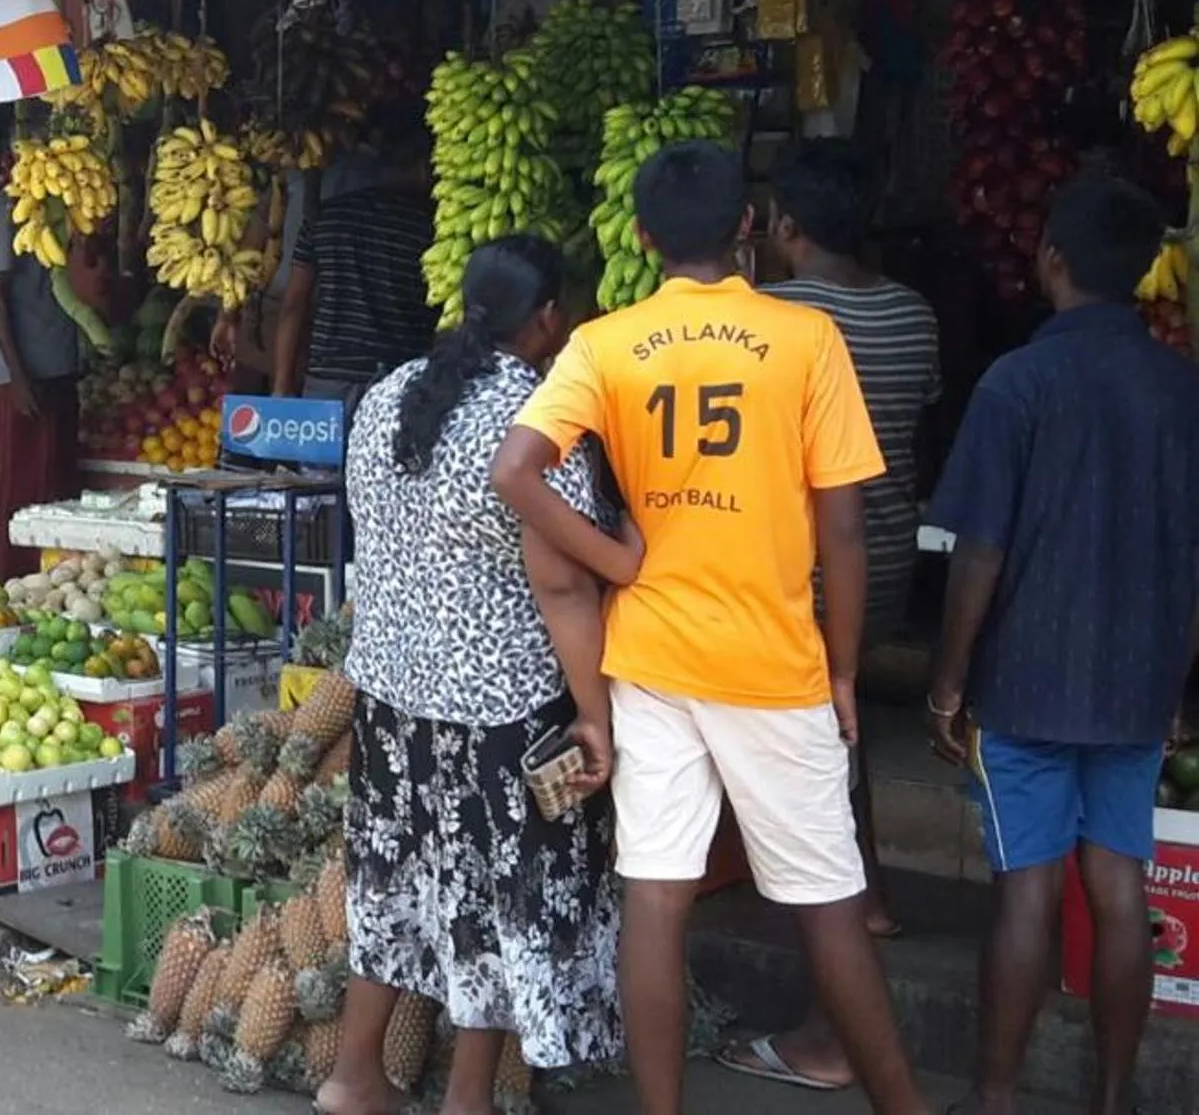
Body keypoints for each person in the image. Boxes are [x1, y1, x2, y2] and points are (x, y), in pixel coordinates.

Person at [491, 141, 930, 1115]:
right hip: (772, 661)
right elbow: (843, 527)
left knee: (655, 895)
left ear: (642, 237)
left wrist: (616, 563)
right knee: (827, 898)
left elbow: (514, 470)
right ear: (747, 226)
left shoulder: (603, 342)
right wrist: (844, 671)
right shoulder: (805, 337)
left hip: (649, 656)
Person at [319, 235, 625, 1115]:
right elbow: (562, 582)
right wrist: (595, 715)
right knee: (490, 896)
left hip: (391, 694)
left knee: (391, 885)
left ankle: (353, 1076)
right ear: (549, 319)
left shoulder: (387, 394)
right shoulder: (538, 417)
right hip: (501, 708)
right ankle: (466, 1098)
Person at [923, 178, 1199, 1115]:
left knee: (1026, 891)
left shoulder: (1017, 382)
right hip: (1136, 684)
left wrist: (947, 683)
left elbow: (979, 552)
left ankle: (994, 1100)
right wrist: (1174, 684)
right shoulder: (1181, 388)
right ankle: (1112, 1099)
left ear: (1051, 260)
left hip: (1028, 681)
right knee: (1118, 887)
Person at [722, 139, 942, 1090]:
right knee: (836, 745)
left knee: (808, 788)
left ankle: (829, 1032)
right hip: (883, 561)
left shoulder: (774, 320)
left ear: (783, 227)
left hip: (801, 570)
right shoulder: (912, 315)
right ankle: (876, 893)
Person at [268, 108, 438, 407]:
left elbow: (294, 305)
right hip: (400, 380)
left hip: (329, 378)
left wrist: (282, 385)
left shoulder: (325, 218)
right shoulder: (431, 229)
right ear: (425, 167)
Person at [0, 167, 81, 581]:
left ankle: (53, 582)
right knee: (18, 491)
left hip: (56, 369)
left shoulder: (58, 209)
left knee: (55, 488)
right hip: (20, 376)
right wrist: (16, 377)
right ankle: (9, 582)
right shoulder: (6, 211)